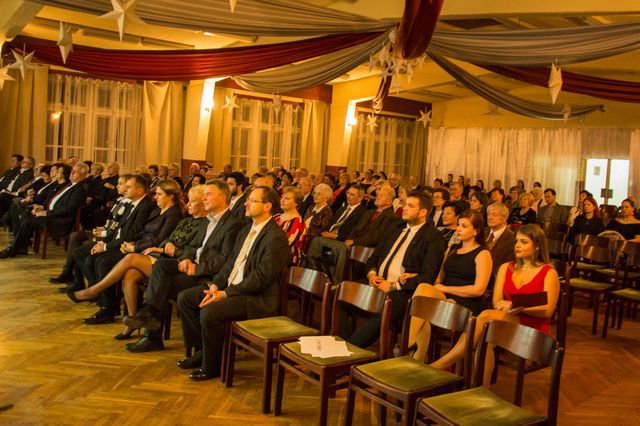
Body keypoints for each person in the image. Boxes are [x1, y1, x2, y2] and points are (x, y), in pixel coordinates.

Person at [175, 186, 290, 380]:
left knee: (210, 312)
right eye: (247, 199)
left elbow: (261, 278)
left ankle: (212, 366)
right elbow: (230, 263)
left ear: (267, 206)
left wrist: (226, 293)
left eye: (252, 200)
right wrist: (215, 284)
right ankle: (203, 351)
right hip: (232, 288)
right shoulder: (246, 230)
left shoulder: (275, 237)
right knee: (185, 298)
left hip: (255, 297)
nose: (246, 203)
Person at [68, 185, 207, 339]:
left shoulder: (200, 222)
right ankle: (132, 321)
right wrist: (166, 245)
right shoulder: (186, 221)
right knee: (130, 273)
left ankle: (94, 291)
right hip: (161, 257)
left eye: (193, 201)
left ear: (204, 203)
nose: (188, 204)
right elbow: (167, 238)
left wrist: (160, 248)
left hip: (173, 264)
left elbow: (193, 250)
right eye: (188, 201)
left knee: (130, 258)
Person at [122, 180, 243, 352]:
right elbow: (193, 246)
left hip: (207, 276)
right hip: (191, 267)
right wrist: (186, 258)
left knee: (161, 286)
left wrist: (197, 268)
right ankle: (149, 314)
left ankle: (153, 334)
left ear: (223, 197)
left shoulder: (233, 224)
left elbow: (225, 259)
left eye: (208, 194)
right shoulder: (208, 220)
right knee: (161, 266)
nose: (204, 198)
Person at [344, 191, 445, 349]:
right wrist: (372, 275)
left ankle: (348, 350)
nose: (404, 208)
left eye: (410, 206)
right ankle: (339, 344)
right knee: (342, 294)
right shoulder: (395, 229)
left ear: (423, 212)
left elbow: (428, 276)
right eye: (405, 204)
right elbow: (373, 258)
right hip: (377, 281)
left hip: (402, 291)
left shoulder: (433, 237)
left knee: (385, 309)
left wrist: (393, 285)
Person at [72, 175, 155, 324]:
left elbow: (132, 233)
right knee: (90, 258)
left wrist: (106, 245)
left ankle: (106, 306)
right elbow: (119, 228)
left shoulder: (146, 205)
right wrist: (104, 240)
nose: (125, 189)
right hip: (120, 242)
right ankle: (105, 302)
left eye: (129, 187)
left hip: (132, 247)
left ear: (140, 190)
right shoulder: (132, 203)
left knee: (101, 261)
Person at [0, 163, 88, 258]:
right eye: (72, 171)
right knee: (25, 214)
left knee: (27, 219)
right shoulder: (69, 185)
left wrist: (47, 213)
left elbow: (69, 209)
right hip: (53, 214)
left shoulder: (80, 189)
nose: (72, 173)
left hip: (60, 220)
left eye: (75, 172)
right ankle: (20, 247)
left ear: (83, 175)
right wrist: (42, 207)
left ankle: (15, 249)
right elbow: (53, 199)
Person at [493, 224, 560, 334]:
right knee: (488, 323)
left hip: (534, 328)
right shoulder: (505, 268)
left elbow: (547, 311)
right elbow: (497, 301)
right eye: (516, 241)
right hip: (508, 320)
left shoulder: (549, 273)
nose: (517, 245)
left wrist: (516, 308)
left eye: (523, 242)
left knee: (488, 321)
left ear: (537, 246)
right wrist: (505, 306)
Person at [432, 210, 493, 316]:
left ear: (476, 231)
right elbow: (439, 279)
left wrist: (445, 289)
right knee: (422, 291)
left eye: (464, 226)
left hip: (468, 300)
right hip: (445, 295)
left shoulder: (483, 254)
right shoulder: (452, 248)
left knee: (445, 305)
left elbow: (478, 290)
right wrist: (437, 289)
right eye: (458, 224)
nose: (458, 229)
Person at [305, 185, 367, 282]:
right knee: (315, 239)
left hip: (341, 241)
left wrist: (336, 236)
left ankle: (333, 281)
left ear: (360, 198)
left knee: (323, 245)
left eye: (352, 195)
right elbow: (329, 225)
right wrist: (322, 232)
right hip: (328, 238)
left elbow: (356, 232)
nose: (348, 196)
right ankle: (314, 274)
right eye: (348, 193)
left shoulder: (363, 213)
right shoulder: (341, 209)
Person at [274, 186, 306, 265]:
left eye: (287, 199)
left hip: (286, 261)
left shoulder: (298, 223)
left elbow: (283, 246)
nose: (282, 200)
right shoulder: (277, 217)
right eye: (282, 197)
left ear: (296, 203)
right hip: (270, 254)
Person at [485, 203, 516, 281]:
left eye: (494, 215)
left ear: (504, 217)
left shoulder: (512, 239)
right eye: (488, 214)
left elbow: (508, 267)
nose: (490, 217)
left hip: (495, 280)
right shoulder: (482, 233)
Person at [302, 183, 333, 250]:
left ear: (326, 197)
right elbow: (303, 221)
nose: (315, 196)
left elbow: (322, 231)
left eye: (319, 194)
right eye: (315, 193)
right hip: (302, 235)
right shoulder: (311, 207)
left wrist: (306, 233)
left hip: (312, 240)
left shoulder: (327, 211)